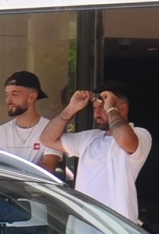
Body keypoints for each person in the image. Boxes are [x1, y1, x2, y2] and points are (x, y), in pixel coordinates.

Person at [39, 81, 152, 220]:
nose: (97, 113)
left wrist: (111, 108)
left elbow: (124, 141)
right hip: (83, 226)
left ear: (122, 108)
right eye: (95, 108)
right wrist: (71, 109)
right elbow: (47, 139)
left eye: (102, 107)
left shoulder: (140, 134)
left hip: (115, 229)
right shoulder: (90, 137)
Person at [0, 70, 52, 168]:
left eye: (14, 94)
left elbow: (48, 169)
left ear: (32, 97)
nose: (8, 100)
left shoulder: (50, 130)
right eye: (7, 94)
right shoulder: (0, 133)